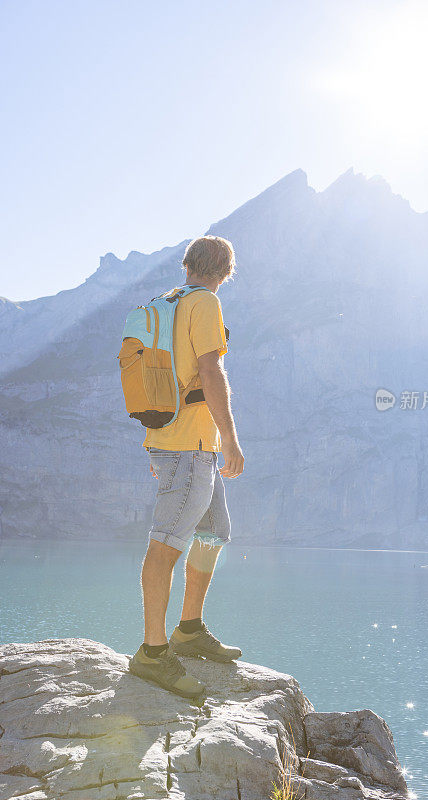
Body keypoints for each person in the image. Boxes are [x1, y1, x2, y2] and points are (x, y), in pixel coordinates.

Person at [128, 235, 244, 701]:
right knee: (167, 542)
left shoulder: (167, 302)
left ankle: (189, 630)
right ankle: (152, 655)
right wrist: (231, 438)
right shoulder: (205, 304)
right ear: (225, 271)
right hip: (189, 447)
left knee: (214, 529)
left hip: (183, 443)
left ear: (188, 263)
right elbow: (210, 372)